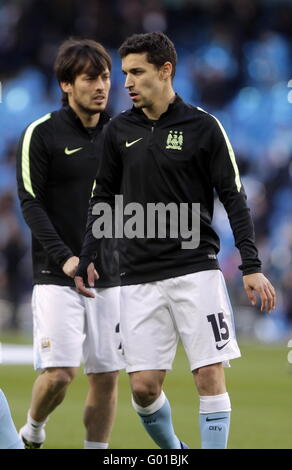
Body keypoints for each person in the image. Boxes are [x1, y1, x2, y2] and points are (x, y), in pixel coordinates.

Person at [75, 32, 276, 449]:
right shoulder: (118, 132)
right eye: (125, 72)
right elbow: (102, 197)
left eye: (136, 72)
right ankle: (176, 453)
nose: (126, 82)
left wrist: (251, 266)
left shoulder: (203, 126)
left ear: (165, 71)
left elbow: (234, 197)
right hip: (137, 275)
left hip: (195, 271)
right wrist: (89, 254)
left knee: (208, 373)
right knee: (144, 389)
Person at [16, 38, 124, 449]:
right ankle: (34, 429)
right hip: (55, 273)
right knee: (60, 373)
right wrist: (65, 258)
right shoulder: (40, 134)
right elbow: (30, 201)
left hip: (110, 275)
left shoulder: (122, 134)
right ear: (66, 84)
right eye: (90, 78)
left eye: (106, 77)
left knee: (106, 376)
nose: (101, 86)